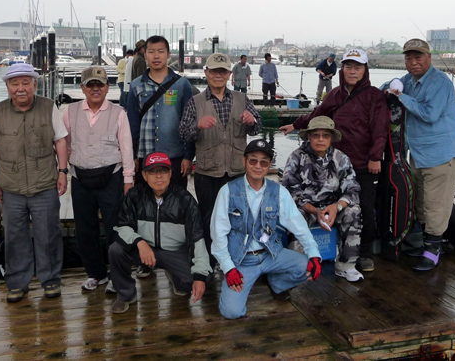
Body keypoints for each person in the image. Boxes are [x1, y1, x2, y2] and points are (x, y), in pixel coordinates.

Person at [280, 48, 389, 273]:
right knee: (333, 205)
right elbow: (318, 114)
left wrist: (375, 157)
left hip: (364, 164)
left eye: (357, 67)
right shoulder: (336, 94)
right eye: (348, 67)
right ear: (342, 69)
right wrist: (297, 125)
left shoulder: (374, 96)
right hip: (337, 164)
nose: (352, 71)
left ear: (365, 70)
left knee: (365, 209)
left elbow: (380, 129)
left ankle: (364, 253)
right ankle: (331, 247)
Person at [0, 63, 68, 303]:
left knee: (48, 235)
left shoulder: (48, 107)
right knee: (15, 237)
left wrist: (63, 172)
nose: (21, 88)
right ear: (8, 87)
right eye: (15, 83)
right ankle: (18, 283)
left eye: (26, 83)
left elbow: (61, 140)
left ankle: (51, 280)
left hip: (44, 184)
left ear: (34, 85)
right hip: (11, 187)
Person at [211, 139, 322, 319]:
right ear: (244, 161)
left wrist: (314, 254)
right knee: (231, 312)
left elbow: (299, 225)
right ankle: (246, 281)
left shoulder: (279, 191)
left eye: (264, 162)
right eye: (253, 160)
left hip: (271, 254)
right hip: (242, 260)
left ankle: (277, 283)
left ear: (270, 165)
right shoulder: (227, 191)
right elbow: (218, 235)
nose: (258, 166)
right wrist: (228, 268)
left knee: (305, 266)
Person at [385, 38, 455, 271]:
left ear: (429, 57)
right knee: (419, 201)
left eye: (418, 57)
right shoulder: (408, 80)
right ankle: (423, 244)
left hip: (442, 153)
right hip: (418, 153)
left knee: (435, 204)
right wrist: (392, 84)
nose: (413, 62)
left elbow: (429, 114)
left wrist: (399, 95)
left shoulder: (440, 81)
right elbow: (385, 87)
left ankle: (432, 251)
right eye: (408, 58)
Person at [179, 52, 262, 268]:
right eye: (214, 71)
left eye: (223, 72)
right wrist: (197, 126)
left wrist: (252, 121)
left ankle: (235, 259)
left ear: (229, 74)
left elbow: (257, 128)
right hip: (208, 172)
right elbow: (183, 133)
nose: (218, 75)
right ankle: (208, 261)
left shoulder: (242, 99)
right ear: (206, 73)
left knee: (238, 217)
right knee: (209, 218)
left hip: (236, 171)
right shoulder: (195, 102)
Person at [108, 152, 211, 314]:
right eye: (152, 172)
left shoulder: (185, 199)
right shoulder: (135, 195)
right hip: (143, 249)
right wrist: (139, 242)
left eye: (163, 171)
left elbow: (197, 238)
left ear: (170, 173)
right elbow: (122, 226)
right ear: (144, 175)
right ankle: (126, 295)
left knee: (198, 279)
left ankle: (176, 278)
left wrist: (200, 276)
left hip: (174, 251)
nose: (158, 176)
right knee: (116, 249)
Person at [62, 66, 135, 293]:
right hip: (80, 176)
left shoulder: (119, 112)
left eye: (100, 85)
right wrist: (63, 170)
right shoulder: (70, 111)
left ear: (107, 87)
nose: (95, 89)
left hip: (111, 176)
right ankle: (95, 274)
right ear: (83, 87)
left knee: (116, 228)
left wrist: (128, 180)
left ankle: (117, 275)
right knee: (85, 228)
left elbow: (126, 147)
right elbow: (64, 143)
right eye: (90, 85)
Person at [282, 116, 364, 282]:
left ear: (331, 138)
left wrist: (337, 207)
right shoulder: (296, 157)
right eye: (316, 135)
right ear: (309, 137)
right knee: (294, 215)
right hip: (307, 208)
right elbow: (290, 191)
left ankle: (346, 265)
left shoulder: (341, 158)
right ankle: (298, 266)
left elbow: (353, 189)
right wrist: (315, 211)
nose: (321, 139)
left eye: (325, 135)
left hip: (332, 208)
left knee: (354, 211)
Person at [127, 36, 194, 186]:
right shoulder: (136, 85)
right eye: (151, 52)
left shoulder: (182, 84)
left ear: (168, 55)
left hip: (174, 157)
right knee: (143, 199)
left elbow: (190, 123)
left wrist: (188, 156)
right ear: (145, 55)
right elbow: (132, 123)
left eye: (161, 51)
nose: (156, 56)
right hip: (145, 157)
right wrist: (132, 155)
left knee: (175, 199)